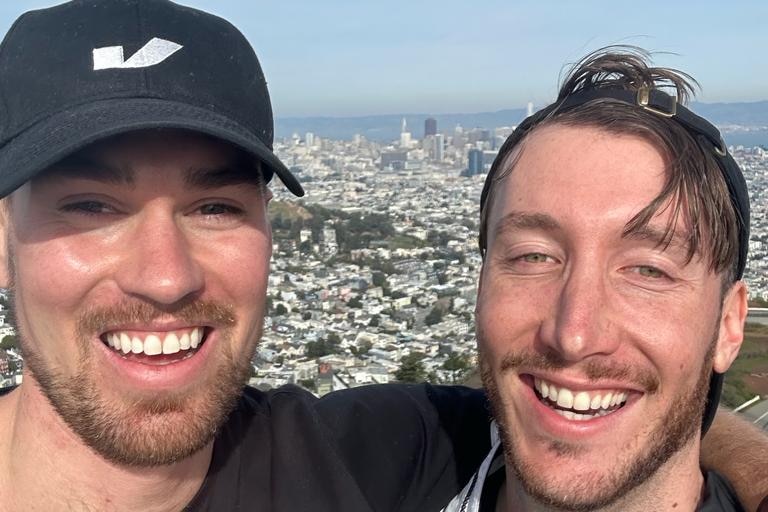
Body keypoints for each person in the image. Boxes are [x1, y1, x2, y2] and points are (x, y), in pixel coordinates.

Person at [0, 2, 763, 510]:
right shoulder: (376, 462)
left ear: (731, 323)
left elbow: (583, 404)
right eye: (91, 206)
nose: (162, 274)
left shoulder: (366, 459)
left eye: (214, 207)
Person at [441, 48, 767, 512]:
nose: (574, 335)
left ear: (728, 326)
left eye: (648, 270)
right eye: (534, 256)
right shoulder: (373, 460)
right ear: (481, 284)